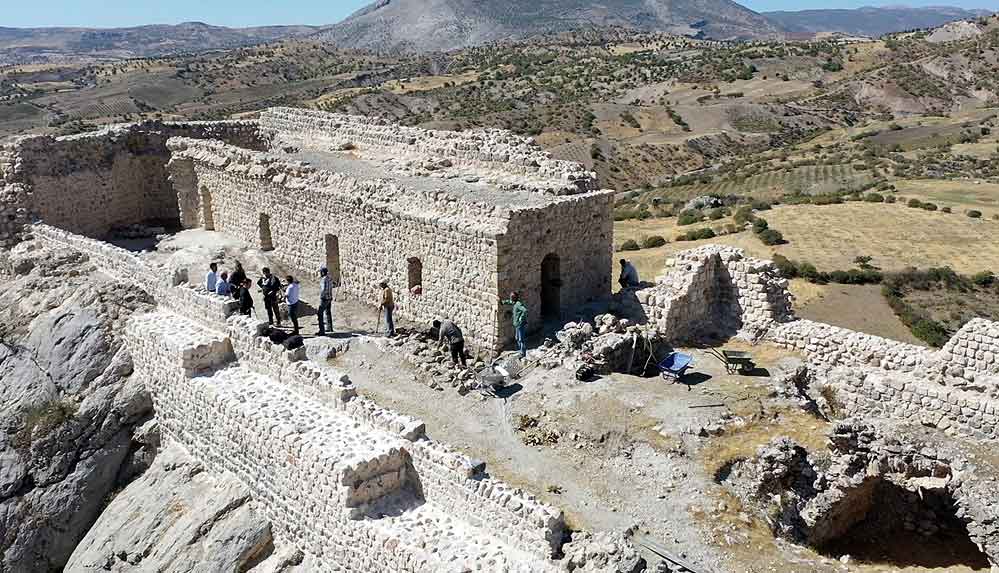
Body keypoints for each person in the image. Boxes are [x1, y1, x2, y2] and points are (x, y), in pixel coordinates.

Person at [501, 291, 528, 359]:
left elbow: (525, 310)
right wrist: (502, 302)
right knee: (517, 338)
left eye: (511, 298)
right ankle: (520, 351)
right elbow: (509, 302)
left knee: (521, 339)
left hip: (520, 325)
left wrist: (520, 318)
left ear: (514, 298)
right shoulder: (514, 303)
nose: (511, 299)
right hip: (517, 325)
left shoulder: (518, 304)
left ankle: (523, 352)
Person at [317, 267, 334, 336]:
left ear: (323, 272)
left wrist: (322, 296)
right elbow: (333, 285)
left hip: (324, 298)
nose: (320, 273)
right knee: (328, 312)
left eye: (320, 272)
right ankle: (329, 328)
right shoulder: (330, 278)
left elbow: (323, 289)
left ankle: (322, 331)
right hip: (330, 297)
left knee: (320, 314)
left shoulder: (323, 280)